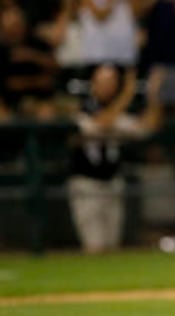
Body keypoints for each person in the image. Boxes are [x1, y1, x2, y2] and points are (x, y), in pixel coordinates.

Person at [68, 65, 164, 253]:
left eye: (112, 82)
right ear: (93, 84)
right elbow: (102, 123)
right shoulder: (84, 106)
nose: (108, 87)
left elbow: (149, 127)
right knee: (94, 246)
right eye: (103, 82)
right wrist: (127, 93)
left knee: (112, 246)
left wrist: (153, 96)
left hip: (112, 182)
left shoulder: (119, 111)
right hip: (86, 184)